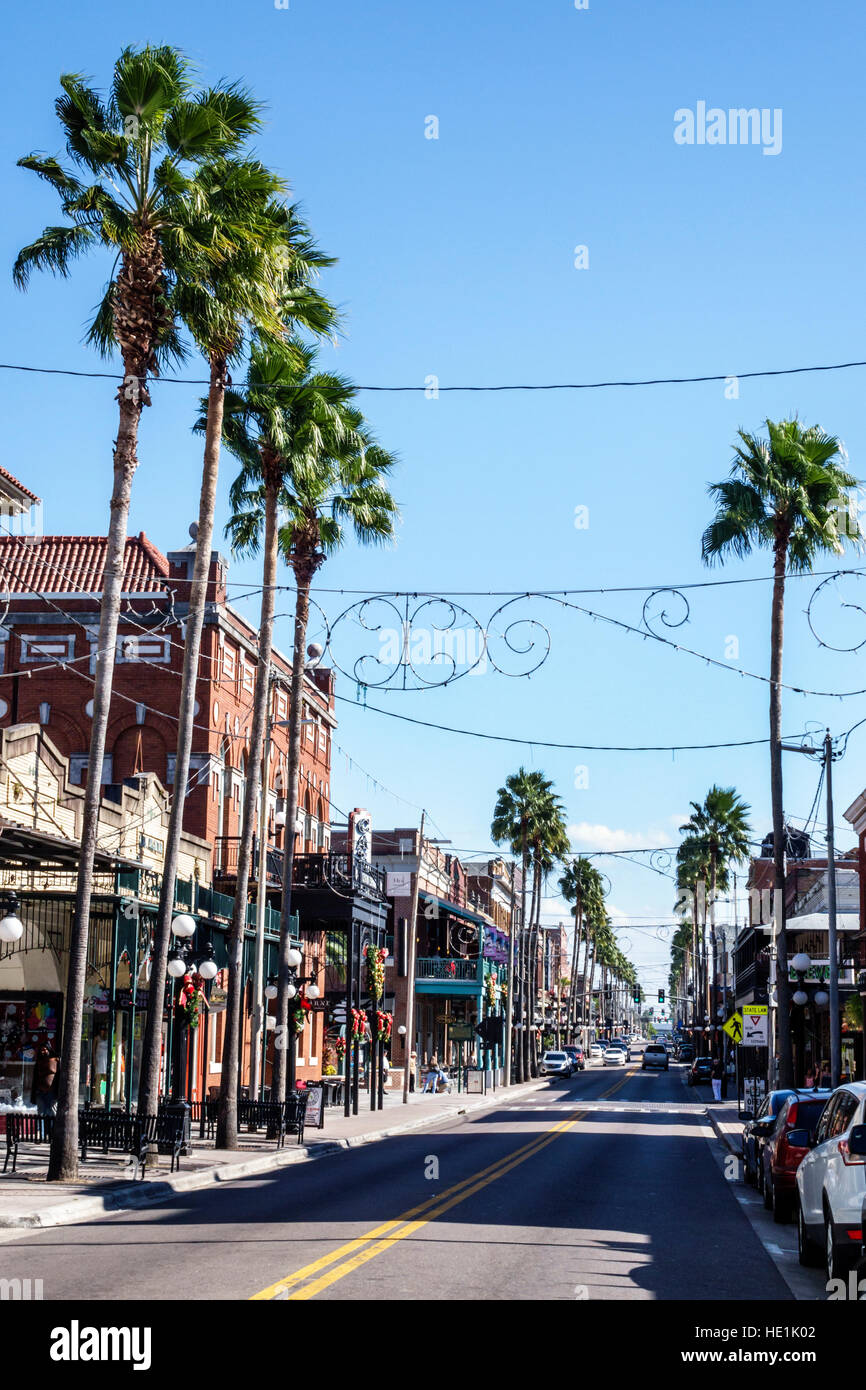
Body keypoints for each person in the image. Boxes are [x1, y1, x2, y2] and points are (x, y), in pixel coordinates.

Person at [32, 1044, 59, 1117]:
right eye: (41, 1050)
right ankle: (41, 1128)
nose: (43, 1052)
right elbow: (35, 1077)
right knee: (41, 1112)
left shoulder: (56, 1060)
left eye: (45, 1049)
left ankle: (52, 1128)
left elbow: (59, 1075)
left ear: (49, 1049)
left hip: (51, 1091)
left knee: (52, 1112)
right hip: (40, 1090)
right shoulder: (39, 1061)